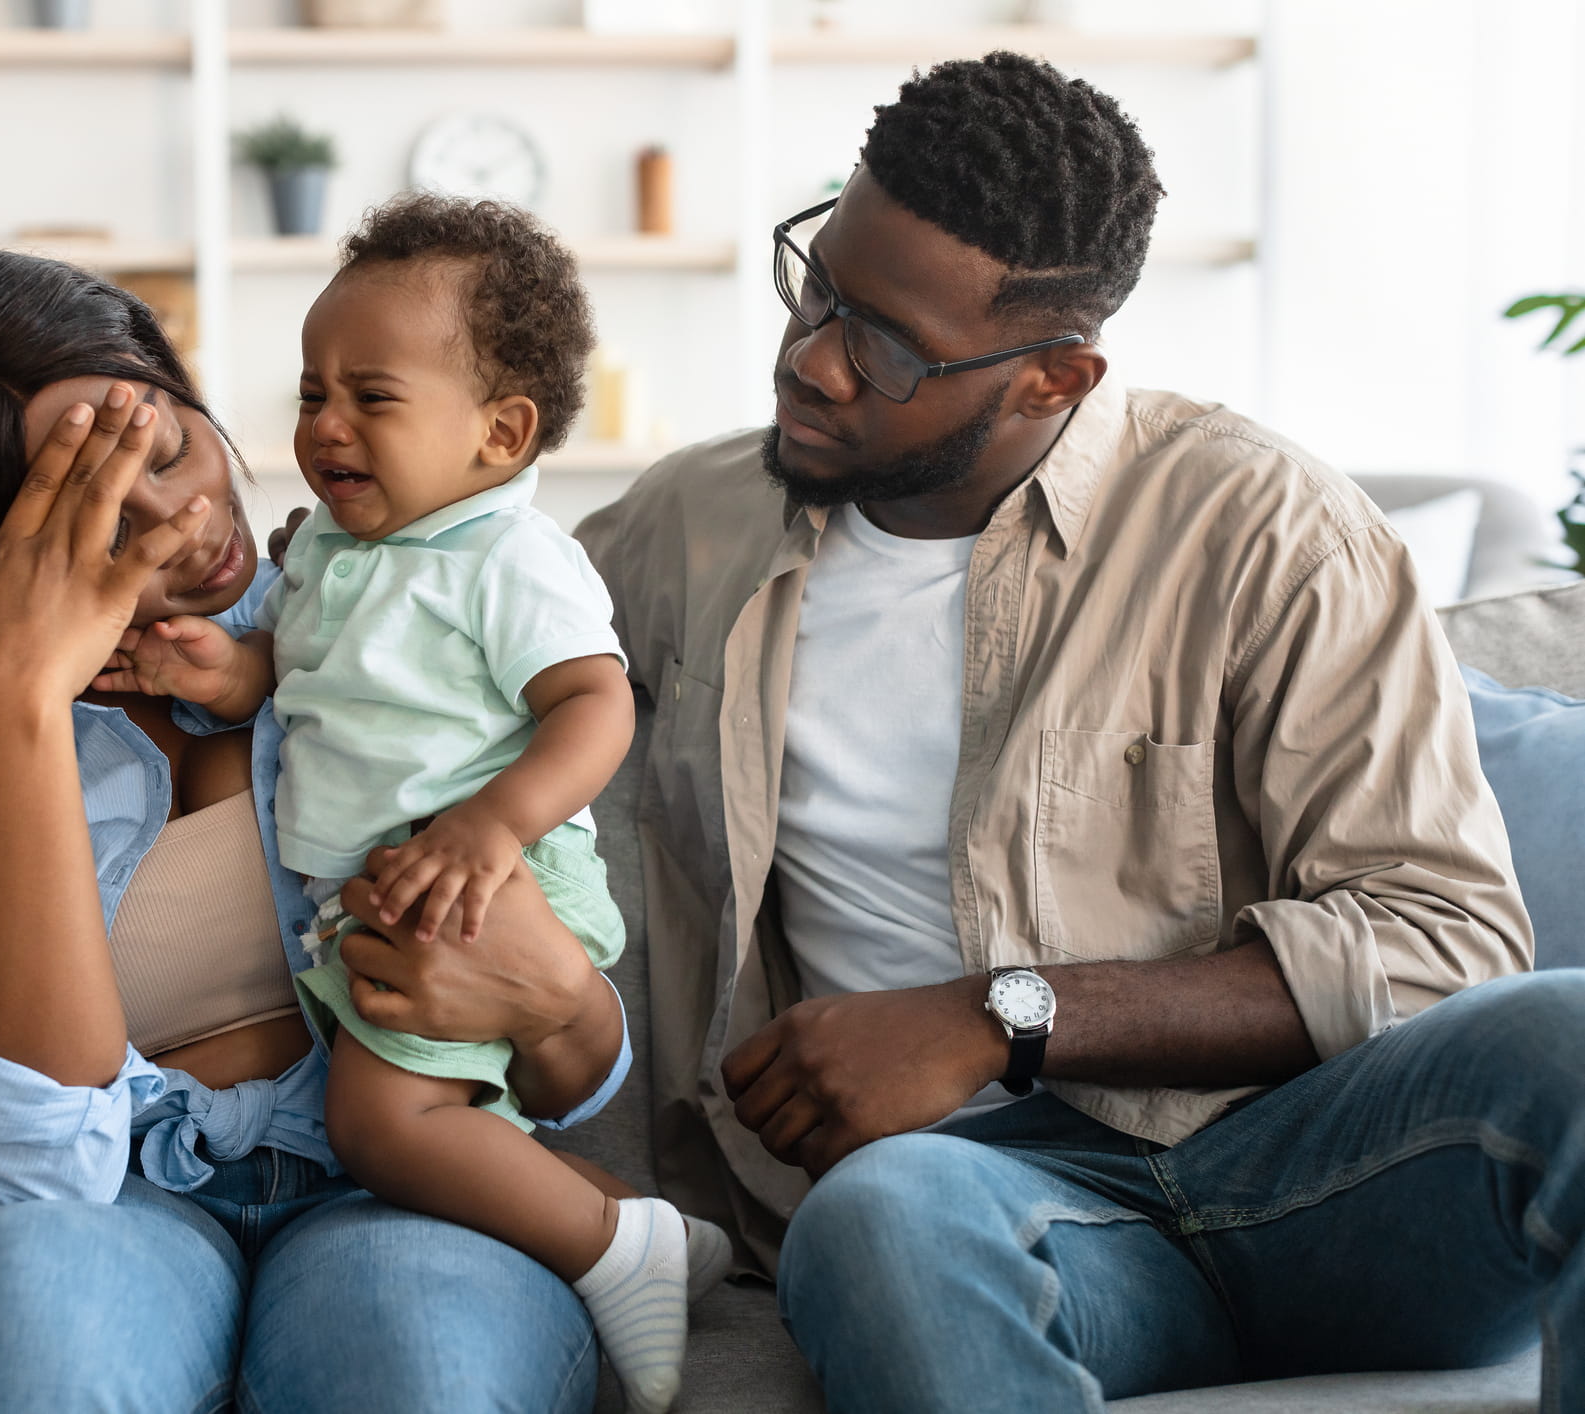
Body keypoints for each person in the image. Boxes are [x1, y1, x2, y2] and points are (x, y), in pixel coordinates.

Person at [576, 50, 1584, 1411]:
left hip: (1312, 1177)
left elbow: (1440, 939)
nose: (808, 361)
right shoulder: (682, 529)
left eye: (882, 344)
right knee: (876, 1218)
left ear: (1054, 377)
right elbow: (464, 635)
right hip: (973, 1204)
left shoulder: (1269, 530)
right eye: (817, 283)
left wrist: (998, 1017)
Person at [0, 245, 637, 1414]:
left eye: (169, 447)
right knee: (39, 1357)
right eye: (101, 512)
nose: (185, 518)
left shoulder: (356, 605)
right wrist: (13, 707)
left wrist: (561, 1002)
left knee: (427, 1373)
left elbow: (572, 1079)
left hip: (394, 1175)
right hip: (110, 1204)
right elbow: (30, 1164)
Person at [106, 194, 718, 1414]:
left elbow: (597, 705)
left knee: (385, 1122)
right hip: (376, 894)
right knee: (387, 1108)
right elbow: (314, 673)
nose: (326, 426)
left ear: (501, 432)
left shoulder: (510, 559)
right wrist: (228, 672)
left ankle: (616, 1240)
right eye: (310, 393)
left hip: (487, 886)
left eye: (371, 398)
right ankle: (619, 1233)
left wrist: (493, 827)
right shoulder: (333, 550)